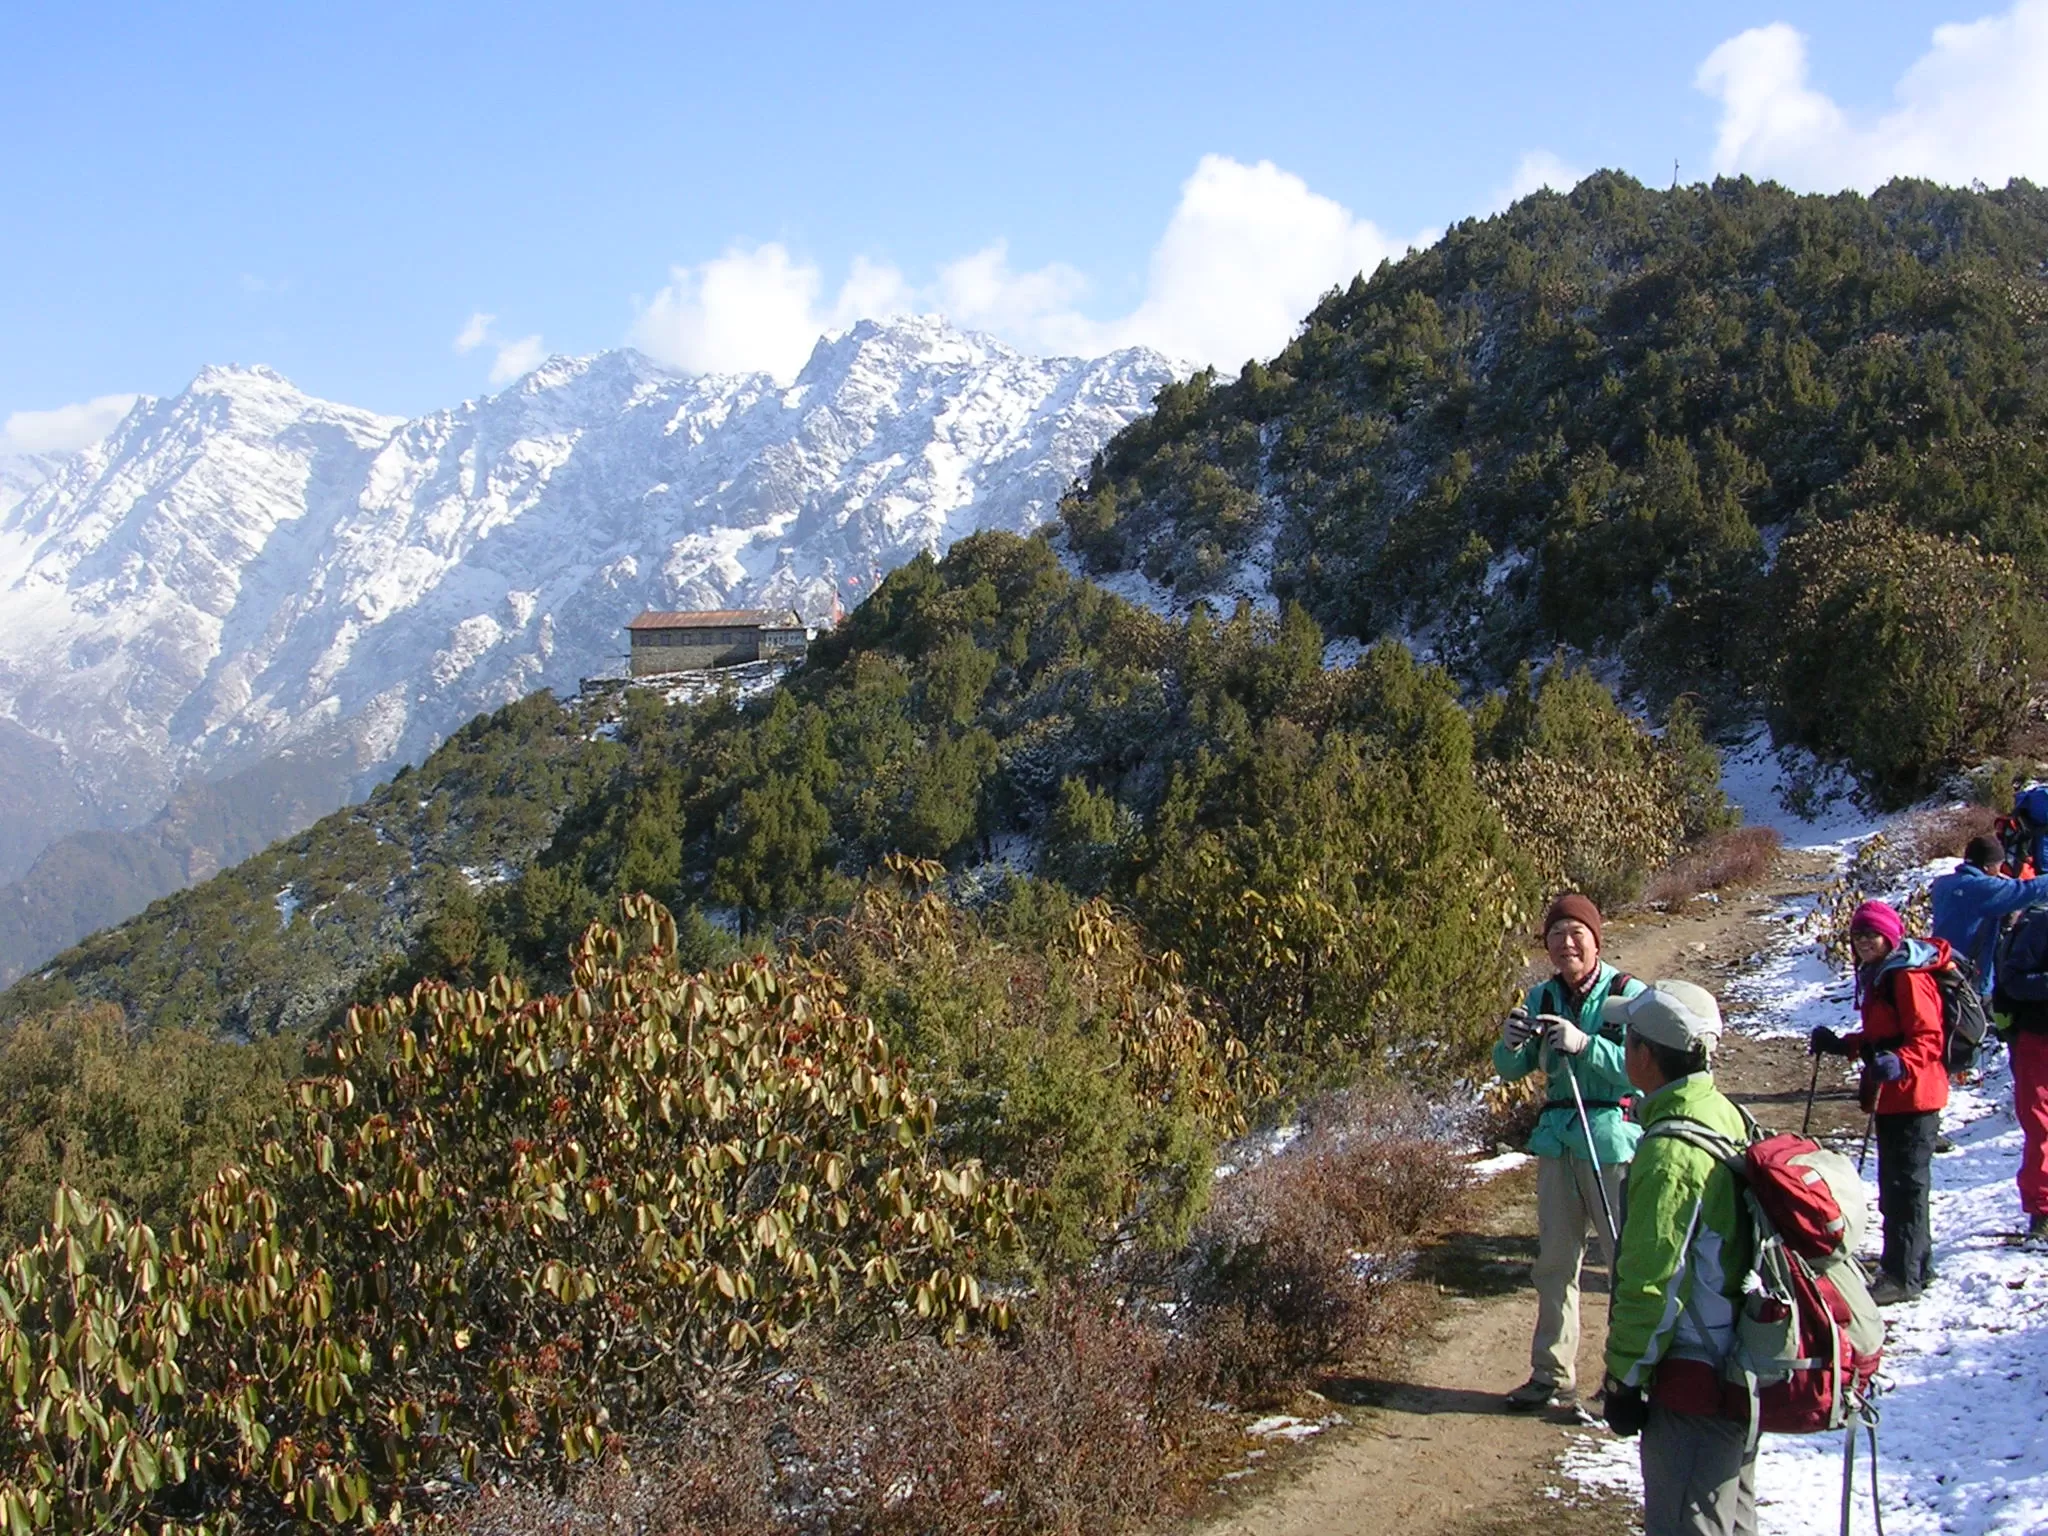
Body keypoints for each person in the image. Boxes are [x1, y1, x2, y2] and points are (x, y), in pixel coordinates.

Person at [1597, 979, 1755, 1536]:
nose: (1622, 1048)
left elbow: (1651, 1282)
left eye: (1626, 1038)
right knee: (1730, 1520)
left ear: (1645, 1055)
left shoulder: (1668, 1154)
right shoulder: (1722, 1112)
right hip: (1740, 1359)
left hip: (1694, 1374)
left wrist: (1623, 1379)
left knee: (1686, 1523)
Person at [1493, 892, 1646, 1410]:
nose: (1565, 944)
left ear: (1595, 938)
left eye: (1575, 933)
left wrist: (1586, 1045)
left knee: (1627, 1261)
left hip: (1611, 1139)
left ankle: (1629, 1374)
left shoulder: (1628, 994)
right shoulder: (1540, 997)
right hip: (1558, 1139)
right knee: (1556, 1262)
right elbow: (1512, 1070)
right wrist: (1512, 1043)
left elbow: (1642, 1069)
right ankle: (1551, 1375)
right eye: (1556, 935)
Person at [1810, 900, 1949, 1304]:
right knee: (1902, 1184)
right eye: (1857, 935)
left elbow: (1928, 1037)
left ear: (1889, 936)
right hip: (1897, 1094)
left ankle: (1902, 1276)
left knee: (1903, 1186)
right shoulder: (1882, 974)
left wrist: (1900, 1063)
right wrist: (1841, 1046)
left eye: (1871, 934)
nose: (1863, 942)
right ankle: (1914, 1264)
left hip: (1914, 1096)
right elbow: (1881, 1037)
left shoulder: (1905, 976)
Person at [1989, 902, 2048, 1250]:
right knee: (2041, 1124)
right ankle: (2042, 1213)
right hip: (2039, 1038)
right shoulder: (2041, 925)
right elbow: (2012, 980)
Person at [1928, 833, 2048, 997]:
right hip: (1968, 982)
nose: (2000, 870)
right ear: (1986, 867)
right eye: (1999, 865)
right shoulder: (1980, 890)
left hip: (1940, 969)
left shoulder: (1943, 884)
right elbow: (2027, 891)